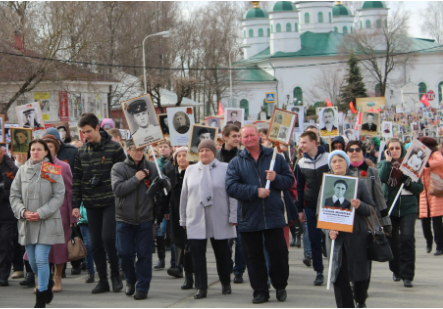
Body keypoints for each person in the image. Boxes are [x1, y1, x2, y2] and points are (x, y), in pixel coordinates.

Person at [226, 124, 294, 304]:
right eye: (245, 136)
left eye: (251, 135)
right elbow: (231, 187)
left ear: (259, 136)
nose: (248, 139)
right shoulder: (236, 162)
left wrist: (276, 178)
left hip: (273, 215)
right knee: (253, 257)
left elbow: (289, 181)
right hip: (249, 217)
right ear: (240, 140)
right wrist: (256, 191)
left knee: (278, 254)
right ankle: (260, 290)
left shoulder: (275, 157)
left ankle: (280, 286)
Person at [71, 113, 126, 294]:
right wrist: (75, 204)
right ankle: (103, 280)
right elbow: (77, 178)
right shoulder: (82, 151)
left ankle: (116, 275)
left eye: (88, 131)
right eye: (82, 132)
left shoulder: (114, 148)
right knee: (95, 243)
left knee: (108, 238)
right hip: (91, 203)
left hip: (110, 201)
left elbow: (123, 174)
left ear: (97, 128)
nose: (85, 135)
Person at [10, 139, 65, 308]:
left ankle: (40, 298)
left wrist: (41, 213)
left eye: (39, 149)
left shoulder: (50, 169)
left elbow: (58, 195)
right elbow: (14, 196)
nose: (35, 152)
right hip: (27, 222)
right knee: (33, 262)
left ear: (46, 152)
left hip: (46, 221)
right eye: (32, 149)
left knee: (41, 259)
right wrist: (23, 212)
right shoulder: (22, 170)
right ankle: (46, 282)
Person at [180, 140, 237, 299]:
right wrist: (183, 219)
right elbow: (184, 196)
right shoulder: (190, 170)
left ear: (214, 152)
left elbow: (232, 195)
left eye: (207, 150)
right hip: (196, 218)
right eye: (201, 150)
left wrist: (233, 215)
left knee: (222, 254)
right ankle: (201, 287)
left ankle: (225, 282)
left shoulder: (225, 168)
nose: (204, 153)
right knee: (197, 255)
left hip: (219, 217)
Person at [111, 139, 164, 300]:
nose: (138, 152)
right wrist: (136, 178)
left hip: (145, 218)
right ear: (128, 150)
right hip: (124, 218)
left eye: (141, 149)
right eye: (135, 149)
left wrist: (164, 183)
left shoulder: (152, 167)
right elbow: (118, 190)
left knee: (144, 255)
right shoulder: (118, 167)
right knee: (124, 253)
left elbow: (160, 189)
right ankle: (130, 279)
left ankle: (142, 287)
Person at [324, 151, 374, 308]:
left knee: (359, 275)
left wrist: (360, 206)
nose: (337, 164)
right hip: (336, 239)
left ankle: (360, 300)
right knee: (339, 276)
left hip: (356, 237)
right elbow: (321, 214)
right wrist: (328, 231)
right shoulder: (326, 184)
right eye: (333, 161)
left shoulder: (358, 183)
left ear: (346, 163)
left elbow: (371, 209)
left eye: (340, 160)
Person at [378, 138, 423, 288]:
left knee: (407, 238)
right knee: (392, 240)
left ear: (402, 149)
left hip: (408, 208)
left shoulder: (411, 165)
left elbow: (419, 188)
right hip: (390, 207)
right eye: (392, 148)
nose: (395, 150)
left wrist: (409, 183)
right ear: (387, 150)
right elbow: (381, 179)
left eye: (397, 148)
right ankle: (396, 269)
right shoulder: (384, 164)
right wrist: (386, 161)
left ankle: (407, 274)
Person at [42, 135, 77, 292]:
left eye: (51, 146)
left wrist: (72, 215)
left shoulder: (63, 166)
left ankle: (57, 276)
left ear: (56, 149)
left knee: (59, 249)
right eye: (45, 146)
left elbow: (70, 192)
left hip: (59, 213)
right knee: (39, 248)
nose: (48, 149)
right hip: (39, 214)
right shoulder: (33, 165)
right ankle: (42, 279)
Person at [296, 130, 329, 286]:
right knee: (314, 239)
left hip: (328, 205)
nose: (301, 145)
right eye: (300, 142)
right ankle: (319, 271)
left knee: (330, 239)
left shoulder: (329, 158)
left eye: (304, 142)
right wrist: (300, 209)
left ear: (314, 142)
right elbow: (300, 187)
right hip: (310, 206)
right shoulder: (301, 163)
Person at [216, 124, 245, 284]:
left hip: (240, 201)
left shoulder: (243, 155)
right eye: (234, 136)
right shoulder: (217, 156)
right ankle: (228, 263)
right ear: (225, 137)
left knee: (241, 240)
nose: (237, 139)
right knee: (225, 240)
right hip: (222, 202)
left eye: (238, 136)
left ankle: (239, 270)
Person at [164, 147, 195, 289]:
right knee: (178, 241)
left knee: (190, 246)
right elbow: (166, 195)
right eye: (179, 156)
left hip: (193, 213)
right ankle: (179, 267)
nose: (182, 158)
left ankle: (188, 274)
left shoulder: (195, 172)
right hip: (176, 212)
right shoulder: (170, 173)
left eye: (185, 155)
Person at [417, 137, 443, 256]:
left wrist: (427, 163)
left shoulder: (435, 154)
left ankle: (439, 245)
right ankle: (429, 241)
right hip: (423, 192)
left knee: (437, 221)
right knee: (424, 220)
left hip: (435, 191)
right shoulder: (419, 155)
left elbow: (441, 161)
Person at [0, 143, 18, 287]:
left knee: (5, 243)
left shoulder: (12, 168)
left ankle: (3, 275)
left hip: (7, 213)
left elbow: (17, 191)